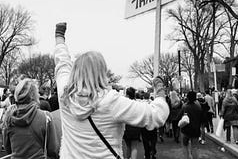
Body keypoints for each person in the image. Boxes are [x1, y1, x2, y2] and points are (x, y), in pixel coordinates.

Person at [54, 22, 169, 159]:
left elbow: (62, 63)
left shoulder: (65, 95)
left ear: (75, 71)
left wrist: (59, 37)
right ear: (101, 72)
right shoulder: (110, 101)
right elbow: (156, 115)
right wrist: (160, 90)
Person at [3, 78, 59, 159]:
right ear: (34, 95)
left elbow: (8, 148)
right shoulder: (45, 117)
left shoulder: (9, 116)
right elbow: (52, 150)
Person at [178, 91, 202, 159]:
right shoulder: (198, 107)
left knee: (185, 146)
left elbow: (179, 117)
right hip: (196, 130)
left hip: (186, 130)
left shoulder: (184, 107)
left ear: (187, 97)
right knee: (194, 147)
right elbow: (202, 119)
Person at [123, 87, 140, 159]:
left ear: (127, 95)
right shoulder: (137, 104)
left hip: (127, 127)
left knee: (128, 147)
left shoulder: (124, 104)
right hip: (136, 127)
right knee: (134, 147)